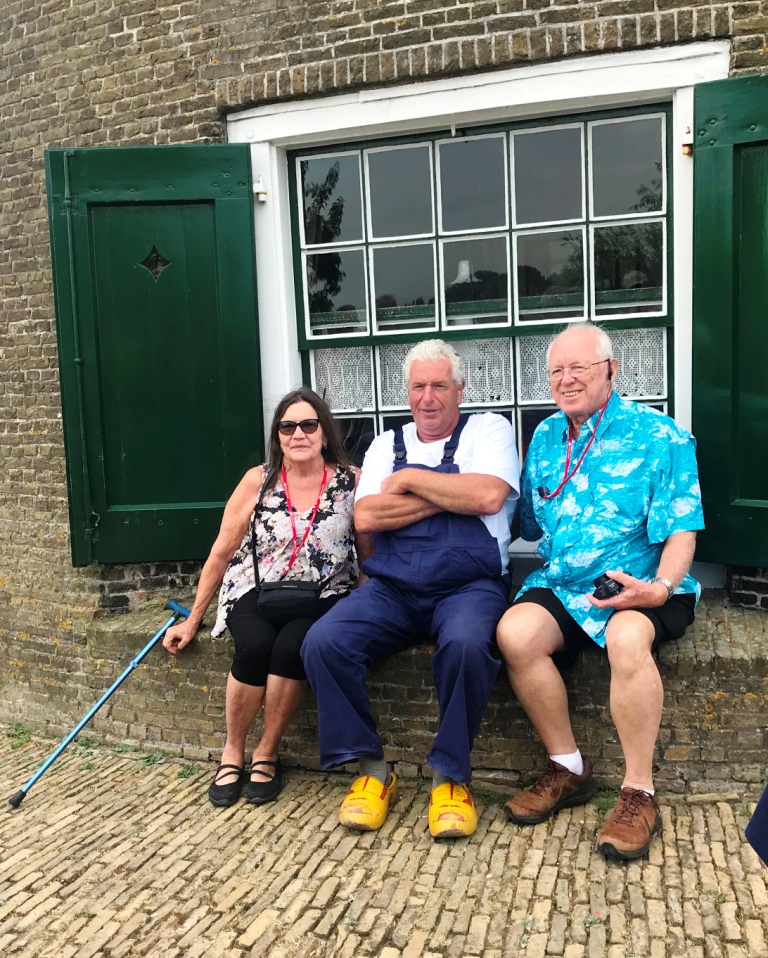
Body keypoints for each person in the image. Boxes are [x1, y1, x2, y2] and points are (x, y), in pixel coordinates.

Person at [497, 321, 704, 860]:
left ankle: (638, 793)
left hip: (641, 582)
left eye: (579, 367)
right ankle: (568, 767)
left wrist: (660, 588)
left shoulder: (660, 436)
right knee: (515, 633)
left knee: (627, 639)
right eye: (556, 371)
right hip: (566, 583)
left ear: (612, 370)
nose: (566, 379)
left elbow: (683, 530)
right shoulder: (545, 437)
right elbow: (527, 522)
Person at [301, 340, 520, 839]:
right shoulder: (385, 444)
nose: (428, 397)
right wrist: (452, 494)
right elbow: (367, 516)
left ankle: (450, 777)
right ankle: (373, 771)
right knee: (323, 642)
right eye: (418, 386)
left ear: (459, 388)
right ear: (408, 392)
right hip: (394, 587)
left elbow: (489, 496)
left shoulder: (489, 429)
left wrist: (409, 481)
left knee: (467, 645)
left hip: (470, 585)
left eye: (439, 385)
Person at [163, 388, 371, 808]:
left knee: (292, 648)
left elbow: (368, 553)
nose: (298, 434)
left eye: (308, 424)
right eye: (287, 427)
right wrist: (193, 618)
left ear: (324, 433)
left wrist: (364, 608)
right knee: (255, 646)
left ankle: (267, 751)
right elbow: (221, 551)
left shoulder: (352, 481)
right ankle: (232, 751)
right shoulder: (257, 480)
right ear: (277, 436)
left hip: (323, 592)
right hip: (256, 588)